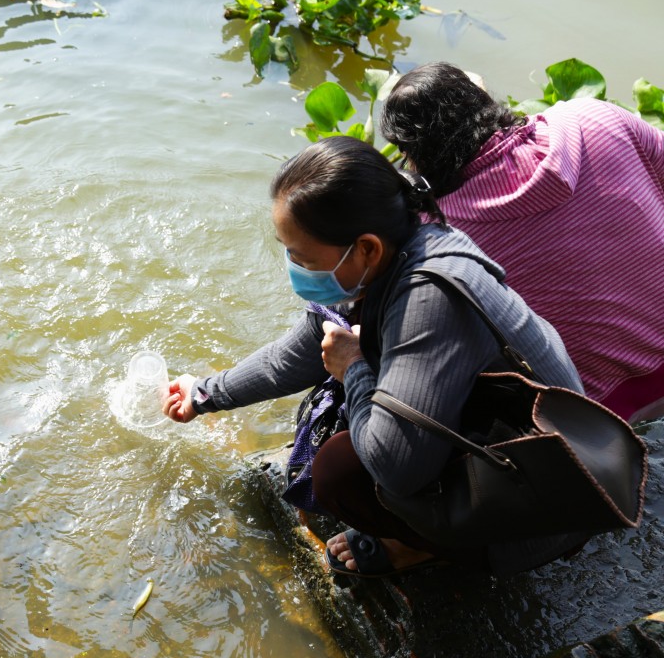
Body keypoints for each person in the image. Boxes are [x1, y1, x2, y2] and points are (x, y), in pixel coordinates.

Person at [163, 136, 589, 577]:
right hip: (493, 436)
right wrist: (205, 395)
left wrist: (356, 369)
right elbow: (297, 353)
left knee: (338, 469)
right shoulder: (389, 259)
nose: (293, 265)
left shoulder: (429, 297)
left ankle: (423, 547)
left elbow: (397, 468)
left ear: (366, 248)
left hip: (539, 504)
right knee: (351, 420)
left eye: (300, 255)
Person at [380, 62, 664, 423]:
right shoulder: (595, 118)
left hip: (607, 417)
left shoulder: (439, 233)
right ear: (485, 102)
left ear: (413, 153)